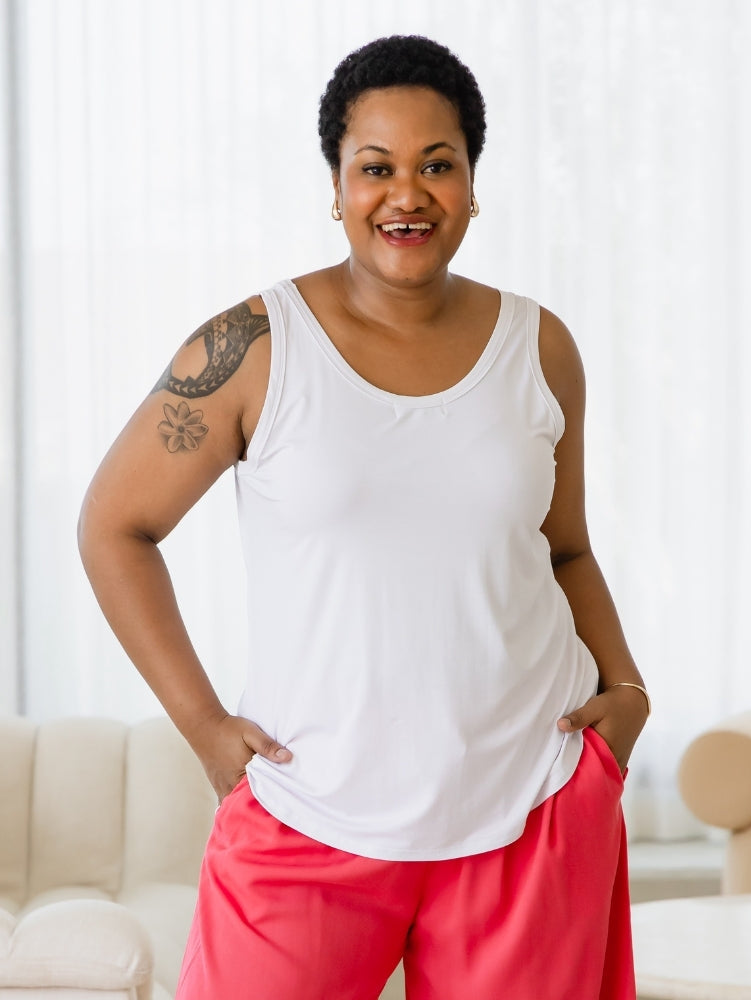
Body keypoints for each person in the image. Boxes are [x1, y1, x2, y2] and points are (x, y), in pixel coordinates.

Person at [78, 34, 649, 1000]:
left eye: (439, 164)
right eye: (375, 167)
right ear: (335, 183)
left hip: (531, 804)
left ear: (474, 180)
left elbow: (566, 549)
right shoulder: (252, 346)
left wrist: (626, 690)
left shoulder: (539, 346)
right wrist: (208, 729)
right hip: (311, 810)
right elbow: (113, 528)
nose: (407, 194)